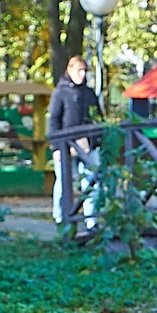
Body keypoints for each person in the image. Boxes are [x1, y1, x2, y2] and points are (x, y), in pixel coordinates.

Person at [47, 54, 102, 228]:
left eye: (85, 71)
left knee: (92, 182)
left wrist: (93, 141)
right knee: (64, 183)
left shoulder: (89, 93)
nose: (82, 74)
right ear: (70, 70)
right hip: (65, 145)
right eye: (79, 70)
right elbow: (54, 120)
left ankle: (91, 220)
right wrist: (56, 147)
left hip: (87, 146)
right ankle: (60, 218)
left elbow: (98, 119)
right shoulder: (60, 92)